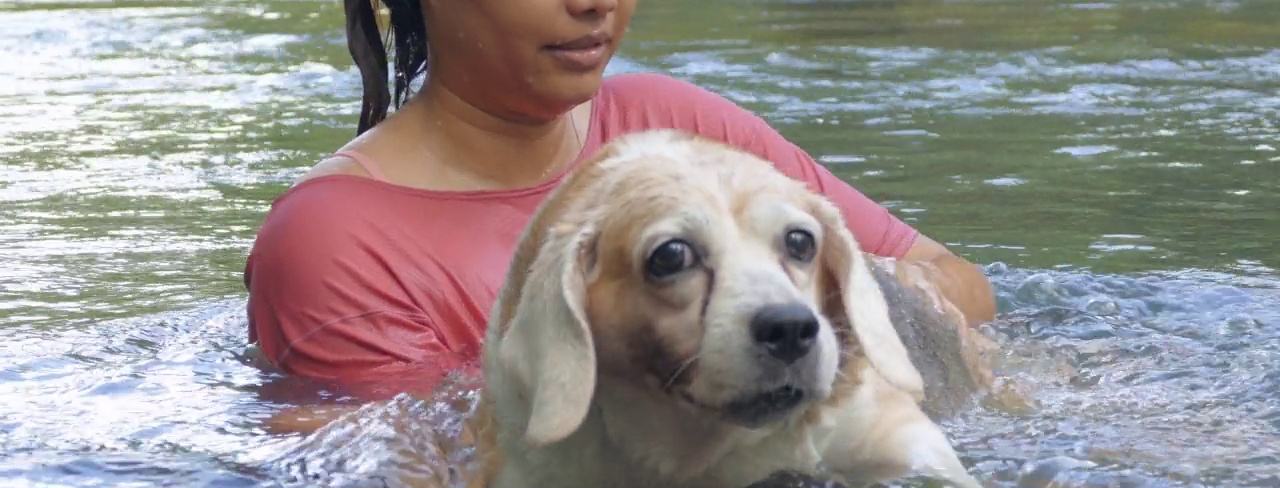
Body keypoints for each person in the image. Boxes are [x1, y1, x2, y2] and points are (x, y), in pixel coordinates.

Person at [242, 0, 997, 399]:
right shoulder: (335, 240)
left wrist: (880, 306)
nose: (595, 2)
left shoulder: (678, 128)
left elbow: (956, 281)